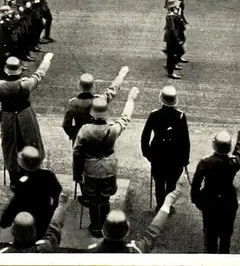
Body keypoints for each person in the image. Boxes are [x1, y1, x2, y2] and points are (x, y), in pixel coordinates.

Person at [73, 87, 139, 238]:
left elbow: (77, 152)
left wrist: (77, 173)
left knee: (92, 198)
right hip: (109, 166)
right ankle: (104, 226)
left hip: (91, 168)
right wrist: (130, 100)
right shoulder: (113, 129)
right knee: (105, 198)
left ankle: (95, 227)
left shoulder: (84, 130)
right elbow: (125, 118)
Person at [0, 53, 53, 189]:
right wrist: (46, 60)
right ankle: (30, 173)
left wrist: (1, 120)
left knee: (10, 147)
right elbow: (39, 75)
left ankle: (14, 179)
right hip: (26, 116)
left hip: (8, 117)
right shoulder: (25, 85)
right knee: (30, 142)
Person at [191, 115, 240, 254]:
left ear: (214, 145)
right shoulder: (233, 163)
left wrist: (199, 201)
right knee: (226, 237)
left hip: (209, 203)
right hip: (228, 203)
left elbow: (195, 187)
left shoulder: (205, 163)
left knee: (210, 236)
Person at [89, 177, 184, 252]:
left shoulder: (91, 252)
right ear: (127, 231)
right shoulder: (136, 250)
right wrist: (167, 203)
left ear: (103, 230)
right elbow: (153, 232)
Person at [141, 86, 190, 212]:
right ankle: (168, 204)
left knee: (159, 181)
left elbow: (145, 136)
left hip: (158, 153)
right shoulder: (180, 116)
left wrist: (147, 153)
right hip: (175, 154)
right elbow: (185, 140)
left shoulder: (154, 115)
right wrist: (185, 158)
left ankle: (160, 204)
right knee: (172, 182)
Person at [0, 147, 62, 239]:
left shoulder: (23, 183)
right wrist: (54, 206)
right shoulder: (48, 175)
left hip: (28, 219)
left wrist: (5, 221)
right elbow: (58, 192)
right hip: (45, 215)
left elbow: (15, 204)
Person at [62, 67, 129, 143]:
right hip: (97, 137)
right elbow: (112, 90)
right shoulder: (99, 100)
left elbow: (66, 125)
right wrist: (121, 75)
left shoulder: (73, 103)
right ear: (93, 86)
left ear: (79, 86)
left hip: (80, 139)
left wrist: (75, 134)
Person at [0, 190, 70, 253]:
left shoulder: (4, 254)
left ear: (13, 232)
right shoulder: (44, 249)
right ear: (33, 231)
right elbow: (54, 227)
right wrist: (61, 203)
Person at [164, 0, 184, 79]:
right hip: (172, 38)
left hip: (172, 37)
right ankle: (170, 69)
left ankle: (170, 68)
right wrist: (178, 39)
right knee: (178, 52)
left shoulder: (173, 13)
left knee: (172, 55)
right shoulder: (171, 15)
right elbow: (173, 29)